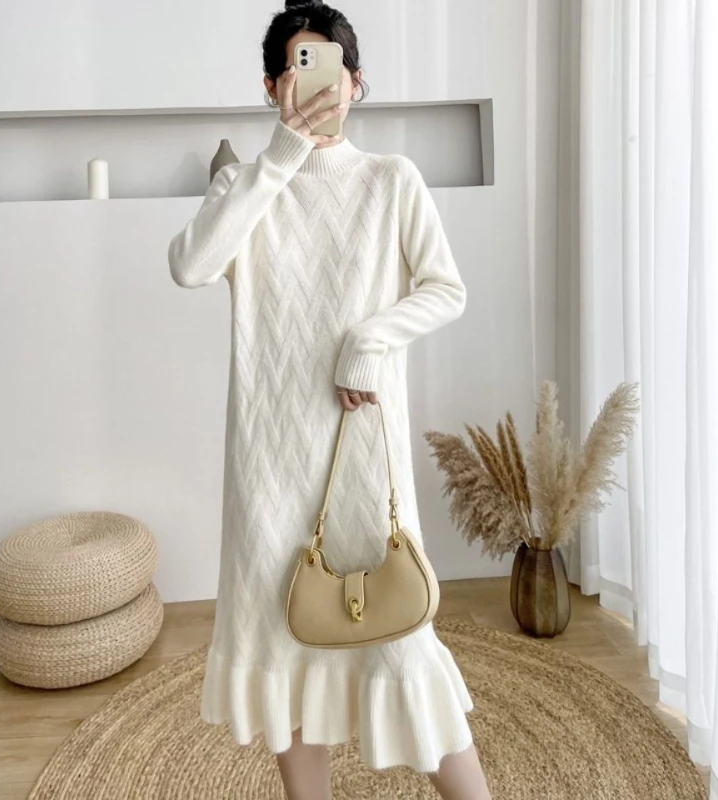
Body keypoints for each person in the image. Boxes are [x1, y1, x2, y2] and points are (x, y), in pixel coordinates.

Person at [167, 1, 492, 797]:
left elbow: (445, 287)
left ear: (355, 81)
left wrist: (370, 340)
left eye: (328, 67)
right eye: (295, 68)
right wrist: (280, 156)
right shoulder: (244, 184)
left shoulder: (391, 180)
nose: (313, 84)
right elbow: (191, 266)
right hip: (269, 464)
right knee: (284, 647)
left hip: (363, 453)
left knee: (403, 642)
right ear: (271, 86)